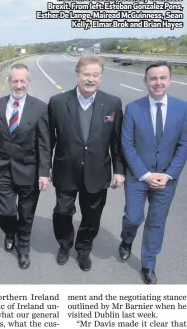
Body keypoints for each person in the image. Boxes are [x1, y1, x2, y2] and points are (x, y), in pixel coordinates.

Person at [48, 55, 126, 271]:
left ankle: (83, 249)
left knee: (92, 216)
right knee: (62, 211)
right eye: (86, 74)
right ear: (77, 75)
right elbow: (49, 140)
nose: (90, 79)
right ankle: (64, 244)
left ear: (100, 77)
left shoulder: (112, 103)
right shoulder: (58, 102)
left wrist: (119, 171)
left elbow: (116, 142)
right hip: (66, 171)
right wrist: (46, 167)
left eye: (95, 75)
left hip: (97, 171)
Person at [119, 61, 187, 284]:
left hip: (167, 179)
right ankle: (127, 239)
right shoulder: (133, 108)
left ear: (170, 80)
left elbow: (184, 145)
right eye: (153, 78)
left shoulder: (182, 108)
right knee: (133, 217)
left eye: (162, 78)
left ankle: (148, 263)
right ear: (146, 81)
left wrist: (168, 175)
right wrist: (146, 175)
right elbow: (127, 145)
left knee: (156, 222)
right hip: (138, 177)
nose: (158, 82)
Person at [0, 63, 51, 270]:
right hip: (2, 169)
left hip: (29, 171)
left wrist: (44, 173)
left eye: (23, 81)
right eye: (15, 80)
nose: (19, 85)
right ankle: (9, 232)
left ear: (29, 83)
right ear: (9, 82)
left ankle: (23, 247)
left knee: (26, 213)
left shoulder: (40, 108)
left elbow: (44, 144)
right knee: (6, 212)